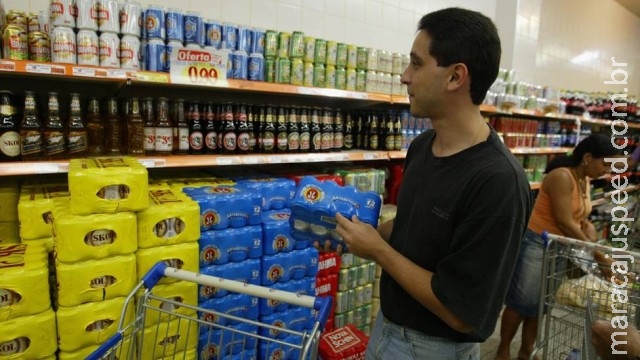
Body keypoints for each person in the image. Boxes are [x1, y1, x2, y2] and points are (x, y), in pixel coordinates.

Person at [334, 7, 532, 360]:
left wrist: (377, 251)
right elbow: (416, 223)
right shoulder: (423, 146)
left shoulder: (497, 182)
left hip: (433, 349)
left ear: (455, 77)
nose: (404, 77)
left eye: (417, 64)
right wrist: (365, 234)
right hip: (387, 328)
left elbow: (460, 313)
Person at [496, 133, 619, 360]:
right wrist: (599, 256)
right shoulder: (561, 176)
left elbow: (576, 215)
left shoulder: (585, 179)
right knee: (522, 302)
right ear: (588, 157)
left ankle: (526, 351)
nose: (607, 170)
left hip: (559, 246)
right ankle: (503, 349)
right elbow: (563, 221)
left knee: (542, 303)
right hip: (536, 244)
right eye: (605, 163)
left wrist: (588, 225)